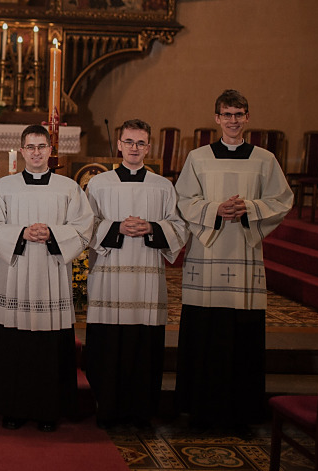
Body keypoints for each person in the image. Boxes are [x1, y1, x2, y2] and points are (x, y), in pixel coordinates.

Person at [174, 90, 293, 434]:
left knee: (242, 336)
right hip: (207, 255)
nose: (233, 120)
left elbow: (282, 199)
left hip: (243, 254)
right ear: (217, 118)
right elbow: (183, 199)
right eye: (227, 114)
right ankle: (200, 411)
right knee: (205, 331)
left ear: (247, 117)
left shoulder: (264, 159)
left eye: (239, 114)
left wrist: (249, 208)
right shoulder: (197, 158)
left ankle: (241, 414)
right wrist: (215, 209)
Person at [0, 125, 94, 432]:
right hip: (14, 274)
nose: (36, 152)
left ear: (50, 151)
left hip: (50, 273)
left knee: (47, 345)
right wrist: (21, 233)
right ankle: (12, 408)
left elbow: (84, 228)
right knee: (14, 344)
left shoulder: (68, 188)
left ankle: (48, 410)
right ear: (21, 151)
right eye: (30, 147)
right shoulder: (4, 187)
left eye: (41, 146)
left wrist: (53, 234)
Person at [84, 119, 189, 429]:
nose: (134, 148)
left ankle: (142, 412)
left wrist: (152, 227)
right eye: (128, 142)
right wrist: (116, 227)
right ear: (119, 145)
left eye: (140, 143)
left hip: (147, 281)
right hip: (109, 278)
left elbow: (179, 226)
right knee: (109, 345)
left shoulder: (163, 186)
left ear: (148, 147)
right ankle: (108, 409)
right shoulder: (99, 184)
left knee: (145, 345)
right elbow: (84, 225)